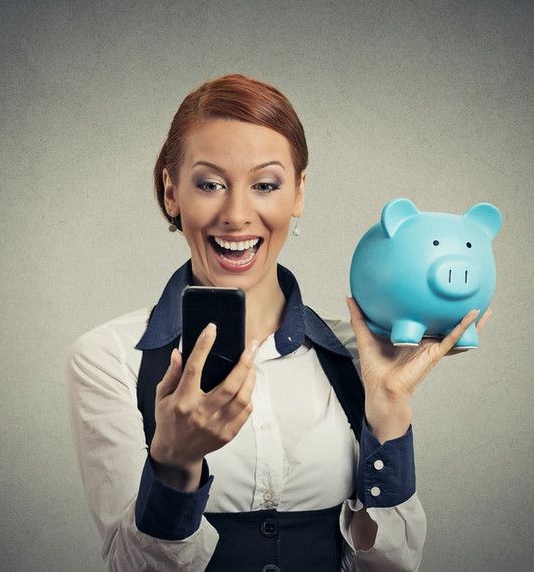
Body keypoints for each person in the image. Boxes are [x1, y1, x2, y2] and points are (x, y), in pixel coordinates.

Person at [65, 73, 492, 571]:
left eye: (265, 185)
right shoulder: (111, 357)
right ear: (171, 193)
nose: (237, 214)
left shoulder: (355, 352)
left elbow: (393, 568)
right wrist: (174, 464)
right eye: (210, 184)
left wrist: (390, 411)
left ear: (298, 194)